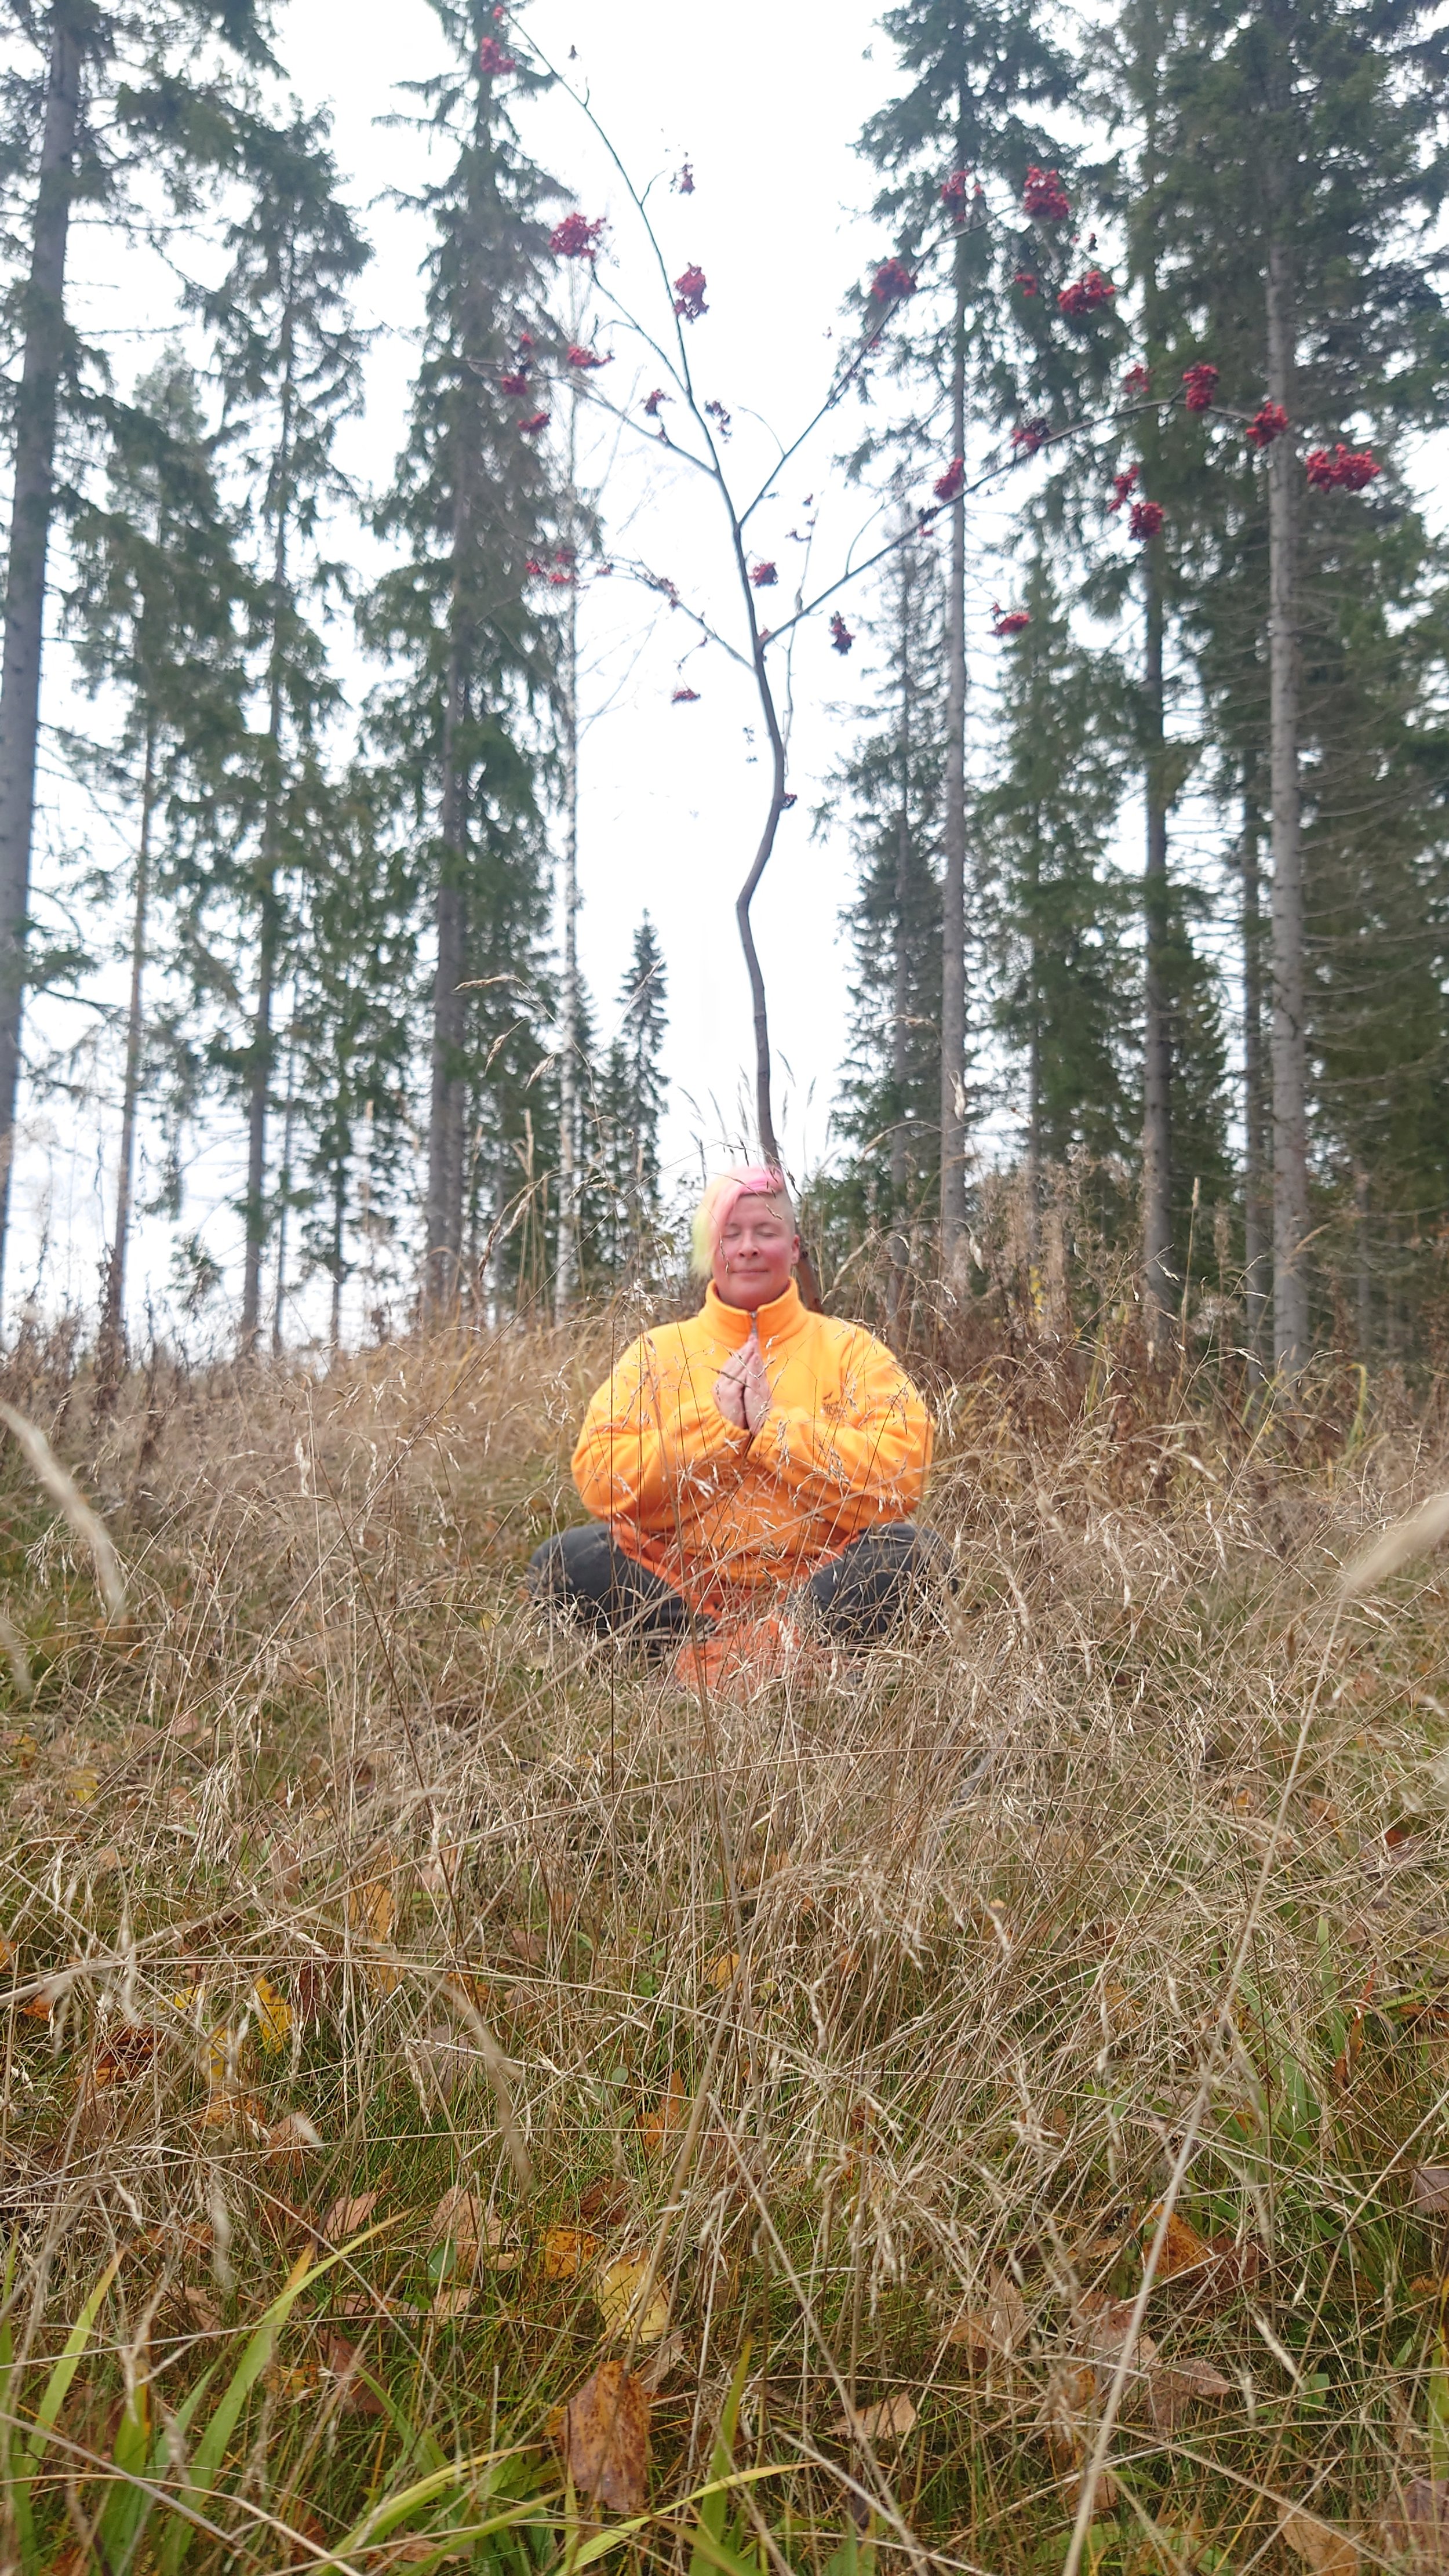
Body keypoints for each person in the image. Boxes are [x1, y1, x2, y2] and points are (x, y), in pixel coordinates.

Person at [529, 1165, 940, 1671]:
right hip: (680, 1589)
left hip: (818, 1585)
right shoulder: (657, 1351)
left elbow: (902, 1476)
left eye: (766, 1232)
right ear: (711, 1250)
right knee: (561, 1564)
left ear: (794, 1247)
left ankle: (715, 1666)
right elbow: (599, 1477)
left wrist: (776, 1431)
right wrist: (715, 1431)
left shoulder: (851, 1349)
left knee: (917, 1555)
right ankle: (767, 1662)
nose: (748, 1248)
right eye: (731, 1234)